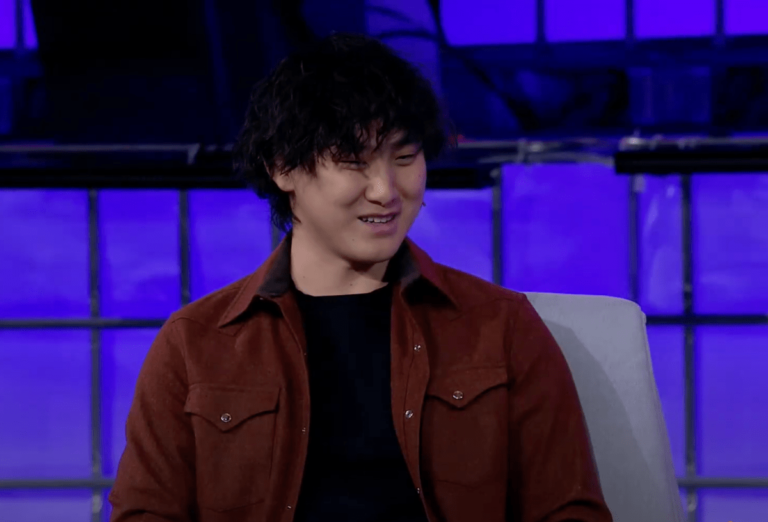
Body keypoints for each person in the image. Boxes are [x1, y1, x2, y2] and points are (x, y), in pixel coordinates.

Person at [109, 33, 612, 522]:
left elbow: (568, 510)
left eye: (404, 158)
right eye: (353, 161)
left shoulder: (501, 327)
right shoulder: (195, 344)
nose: (385, 190)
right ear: (282, 167)